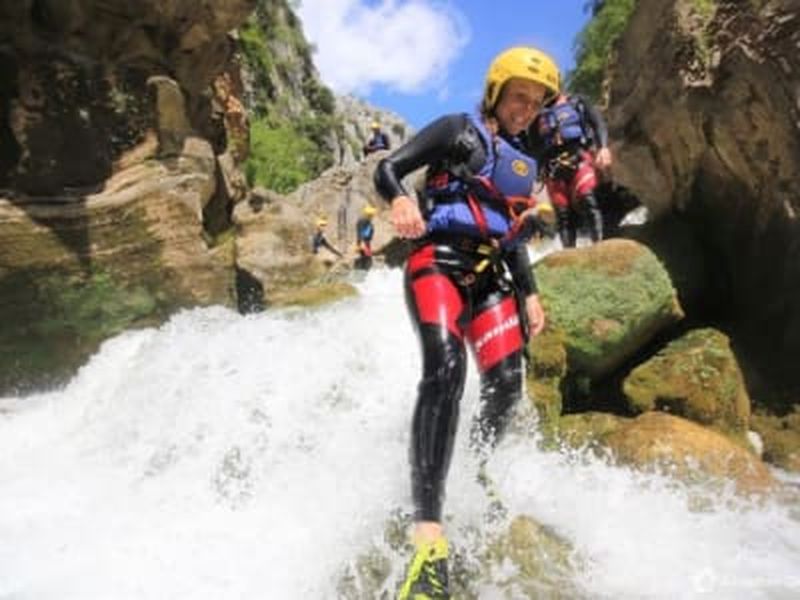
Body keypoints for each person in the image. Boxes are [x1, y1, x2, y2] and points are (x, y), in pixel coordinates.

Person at [373, 46, 557, 599]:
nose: (526, 108)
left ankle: (474, 470)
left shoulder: (526, 162)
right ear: (496, 93)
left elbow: (512, 231)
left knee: (505, 387)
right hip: (439, 263)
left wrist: (529, 293)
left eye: (535, 101)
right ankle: (428, 533)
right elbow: (389, 167)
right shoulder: (458, 130)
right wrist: (401, 201)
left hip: (494, 276)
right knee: (447, 371)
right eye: (518, 96)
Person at [528, 91, 613, 247]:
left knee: (588, 200)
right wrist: (536, 172)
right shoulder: (535, 117)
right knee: (563, 215)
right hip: (552, 168)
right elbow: (532, 147)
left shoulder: (577, 101)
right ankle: (569, 256)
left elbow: (597, 122)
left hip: (579, 158)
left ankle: (602, 247)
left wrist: (603, 147)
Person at [354, 204, 377, 270]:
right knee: (365, 260)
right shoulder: (362, 221)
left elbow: (367, 234)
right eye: (371, 215)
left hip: (366, 244)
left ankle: (365, 272)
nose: (372, 217)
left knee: (367, 260)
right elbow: (360, 233)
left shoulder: (368, 222)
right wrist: (360, 244)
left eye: (372, 215)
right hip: (363, 244)